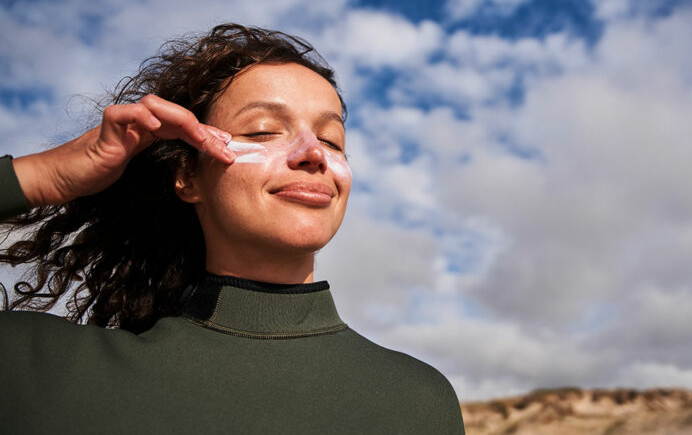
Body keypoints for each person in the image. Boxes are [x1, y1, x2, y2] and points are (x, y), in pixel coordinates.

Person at [0, 24, 465, 434]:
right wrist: (45, 175)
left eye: (331, 138)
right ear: (187, 177)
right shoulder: (34, 368)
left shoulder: (417, 402)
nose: (313, 152)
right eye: (263, 131)